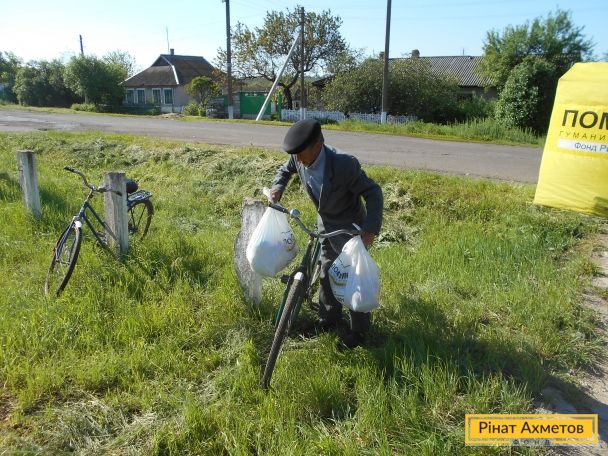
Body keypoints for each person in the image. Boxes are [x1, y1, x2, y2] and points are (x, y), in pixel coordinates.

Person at [269, 119, 383, 348]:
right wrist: (278, 186)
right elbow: (286, 169)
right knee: (326, 271)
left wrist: (369, 230)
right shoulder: (299, 156)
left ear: (318, 146)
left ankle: (358, 332)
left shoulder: (344, 164)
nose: (297, 159)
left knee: (353, 278)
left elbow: (373, 192)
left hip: (349, 228)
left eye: (301, 154)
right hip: (326, 225)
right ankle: (329, 319)